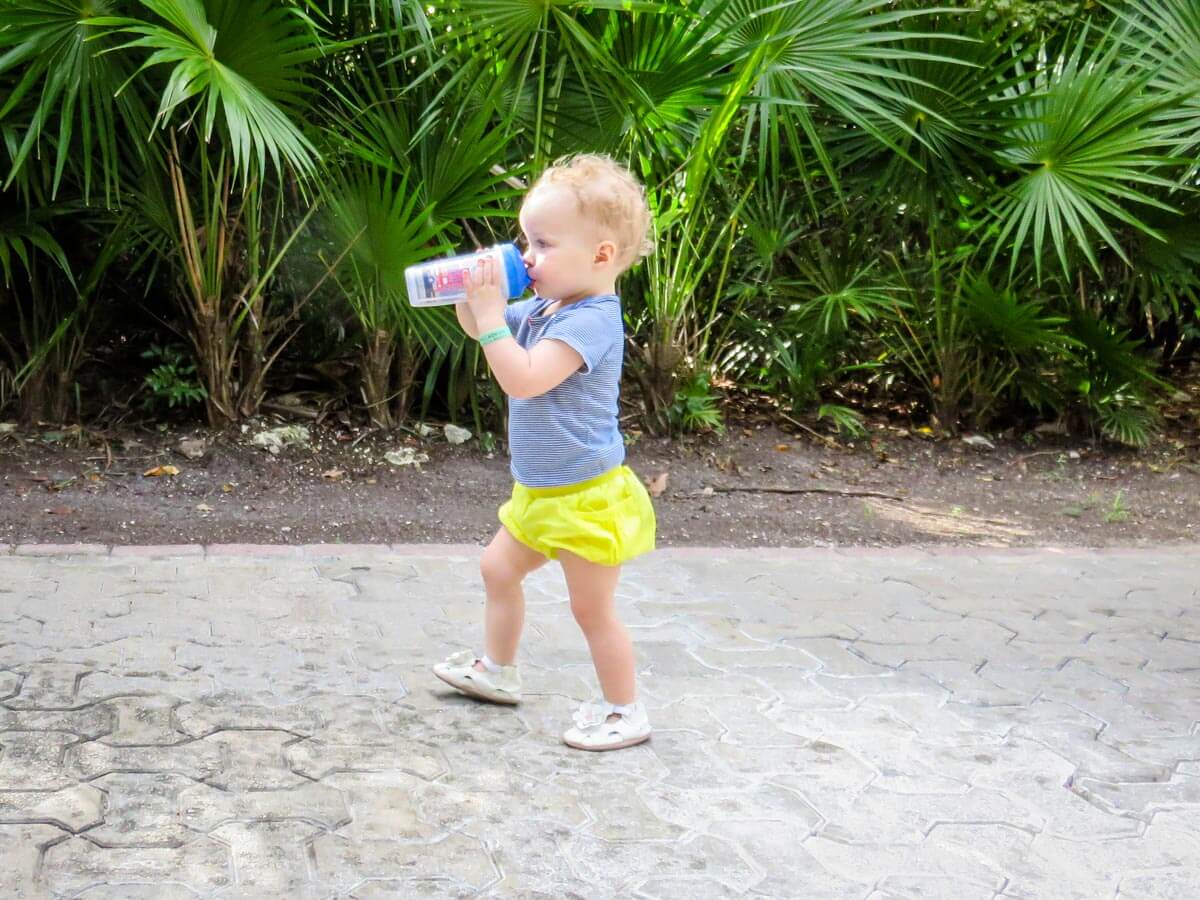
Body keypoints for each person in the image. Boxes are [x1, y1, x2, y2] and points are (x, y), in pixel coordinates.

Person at [433, 153, 657, 751]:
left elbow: (524, 376)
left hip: (585, 497)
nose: (527, 256)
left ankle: (624, 709)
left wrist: (489, 322)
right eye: (525, 240)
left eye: (543, 244)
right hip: (540, 491)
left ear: (602, 256)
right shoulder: (544, 304)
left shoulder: (592, 321)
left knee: (591, 610)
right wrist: (471, 295)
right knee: (497, 568)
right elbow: (482, 328)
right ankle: (498, 671)